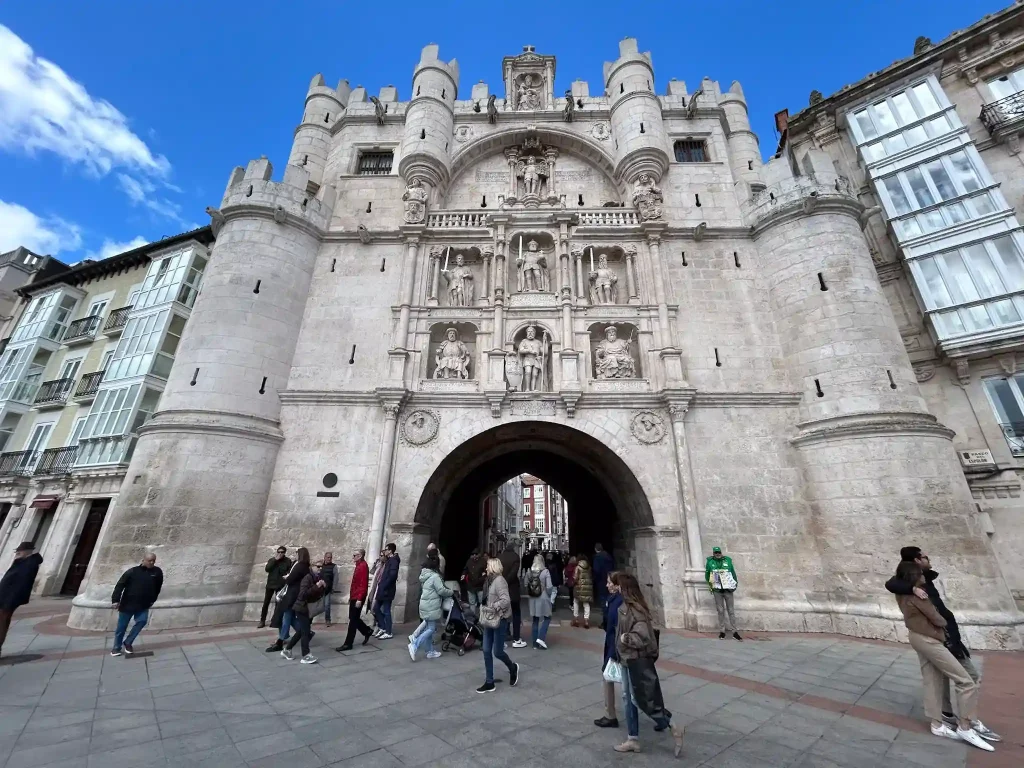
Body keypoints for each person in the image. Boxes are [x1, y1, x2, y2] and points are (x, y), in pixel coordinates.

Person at [885, 547, 999, 741]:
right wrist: (913, 589)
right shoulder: (913, 586)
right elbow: (892, 583)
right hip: (939, 636)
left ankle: (945, 718)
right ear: (916, 561)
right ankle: (966, 722)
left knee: (937, 678)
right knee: (966, 678)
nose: (929, 558)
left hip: (941, 636)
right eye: (924, 556)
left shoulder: (922, 580)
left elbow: (898, 582)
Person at [614, 573, 684, 756]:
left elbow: (642, 635)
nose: (617, 588)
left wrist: (624, 638)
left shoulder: (634, 610)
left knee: (638, 698)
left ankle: (670, 724)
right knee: (627, 698)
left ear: (625, 589)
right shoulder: (628, 607)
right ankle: (633, 739)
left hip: (634, 659)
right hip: (626, 658)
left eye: (619, 586)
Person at [477, 557, 520, 693]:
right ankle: (489, 681)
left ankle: (512, 667)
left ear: (494, 567)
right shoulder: (488, 581)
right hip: (489, 619)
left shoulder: (500, 581)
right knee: (485, 650)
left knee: (498, 652)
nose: (486, 568)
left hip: (499, 619)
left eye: (488, 566)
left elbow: (506, 600)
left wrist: (494, 606)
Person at [110, 551, 163, 657]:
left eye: (153, 561)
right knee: (121, 627)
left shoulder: (157, 572)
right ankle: (116, 648)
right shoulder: (132, 571)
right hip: (127, 604)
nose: (151, 563)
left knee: (142, 621)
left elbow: (158, 587)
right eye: (149, 561)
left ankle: (128, 642)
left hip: (143, 605)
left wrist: (153, 599)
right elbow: (120, 585)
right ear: (143, 560)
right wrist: (115, 600)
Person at [0, 541, 43, 657]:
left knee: (2, 621)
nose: (17, 552)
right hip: (5, 596)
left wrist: (11, 599)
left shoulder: (30, 563)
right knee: (3, 620)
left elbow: (21, 583)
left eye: (20, 551)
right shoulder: (22, 562)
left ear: (27, 551)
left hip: (10, 597)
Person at [282, 558, 326, 664]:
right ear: (312, 566)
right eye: (318, 566)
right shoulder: (308, 578)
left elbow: (317, 593)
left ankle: (287, 650)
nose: (320, 569)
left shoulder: (317, 577)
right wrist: (317, 586)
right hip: (301, 607)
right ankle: (305, 655)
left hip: (308, 608)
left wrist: (323, 586)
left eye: (322, 567)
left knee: (302, 631)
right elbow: (303, 594)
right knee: (306, 631)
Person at [267, 547, 311, 652]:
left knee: (286, 617)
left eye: (297, 553)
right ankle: (306, 632)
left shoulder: (300, 565)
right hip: (295, 594)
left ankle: (280, 642)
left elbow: (291, 579)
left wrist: (287, 577)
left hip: (292, 595)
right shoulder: (305, 566)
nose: (295, 554)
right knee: (290, 617)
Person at [409, 553, 452, 661]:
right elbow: (441, 590)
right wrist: (451, 592)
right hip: (431, 605)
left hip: (425, 604)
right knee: (431, 629)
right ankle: (415, 644)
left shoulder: (424, 575)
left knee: (429, 628)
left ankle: (430, 651)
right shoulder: (435, 576)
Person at [595, 571, 624, 729]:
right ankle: (610, 714)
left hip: (618, 646)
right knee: (607, 677)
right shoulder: (612, 600)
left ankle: (662, 716)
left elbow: (614, 625)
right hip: (612, 644)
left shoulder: (620, 602)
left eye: (609, 582)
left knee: (634, 687)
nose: (607, 585)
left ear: (617, 585)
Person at [336, 548, 373, 651]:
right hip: (355, 596)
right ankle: (367, 631)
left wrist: (359, 599)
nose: (353, 557)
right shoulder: (359, 565)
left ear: (360, 556)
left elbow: (363, 584)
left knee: (353, 620)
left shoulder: (363, 566)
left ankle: (348, 643)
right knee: (353, 618)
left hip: (358, 597)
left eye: (354, 555)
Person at [705, 546, 741, 640]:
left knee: (731, 610)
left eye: (719, 552)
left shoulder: (728, 561)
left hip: (728, 590)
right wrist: (711, 587)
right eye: (716, 553)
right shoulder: (710, 562)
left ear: (721, 553)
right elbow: (707, 575)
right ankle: (722, 631)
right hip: (717, 591)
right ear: (713, 553)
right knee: (720, 611)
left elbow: (733, 573)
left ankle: (734, 631)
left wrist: (735, 585)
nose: (718, 554)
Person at [499, 542, 526, 648]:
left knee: (503, 614)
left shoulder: (500, 557)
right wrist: (506, 581)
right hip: (513, 589)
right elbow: (514, 573)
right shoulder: (515, 557)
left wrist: (501, 583)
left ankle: (502, 637)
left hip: (501, 589)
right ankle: (516, 638)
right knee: (516, 614)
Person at [526, 553, 554, 649]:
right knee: (547, 617)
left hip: (533, 599)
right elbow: (550, 586)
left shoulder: (529, 571)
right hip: (543, 597)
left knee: (535, 620)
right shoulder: (545, 571)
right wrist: (548, 594)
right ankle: (541, 638)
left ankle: (534, 643)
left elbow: (526, 584)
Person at [372, 543, 400, 639]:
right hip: (382, 588)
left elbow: (392, 576)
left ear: (391, 551)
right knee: (376, 608)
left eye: (386, 549)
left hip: (387, 590)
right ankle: (383, 627)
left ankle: (388, 631)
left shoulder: (394, 561)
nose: (385, 551)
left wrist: (384, 586)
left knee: (387, 611)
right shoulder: (389, 561)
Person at [259, 546, 291, 628]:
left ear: (284, 553)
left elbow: (286, 571)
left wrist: (279, 562)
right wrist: (275, 560)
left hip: (280, 585)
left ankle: (275, 621)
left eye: (282, 552)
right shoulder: (272, 560)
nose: (280, 553)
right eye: (279, 552)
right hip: (270, 584)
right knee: (266, 603)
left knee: (278, 604)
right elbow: (267, 569)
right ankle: (262, 620)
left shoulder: (287, 561)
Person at [593, 543, 615, 625]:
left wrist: (595, 579)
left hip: (601, 582)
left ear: (596, 549)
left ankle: (606, 621)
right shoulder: (609, 557)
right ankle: (611, 619)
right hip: (610, 580)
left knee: (603, 602)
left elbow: (596, 570)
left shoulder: (597, 558)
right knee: (610, 600)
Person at [572, 555, 593, 628]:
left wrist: (573, 582)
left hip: (579, 587)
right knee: (586, 603)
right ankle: (586, 620)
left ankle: (576, 619)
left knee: (576, 602)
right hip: (587, 587)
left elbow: (575, 577)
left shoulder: (578, 567)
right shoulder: (589, 567)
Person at [320, 551, 337, 627]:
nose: (329, 559)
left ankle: (328, 620)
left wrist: (333, 588)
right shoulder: (320, 565)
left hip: (328, 589)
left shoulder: (334, 566)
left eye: (330, 557)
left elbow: (336, 578)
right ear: (324, 557)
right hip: (318, 588)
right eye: (328, 557)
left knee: (327, 605)